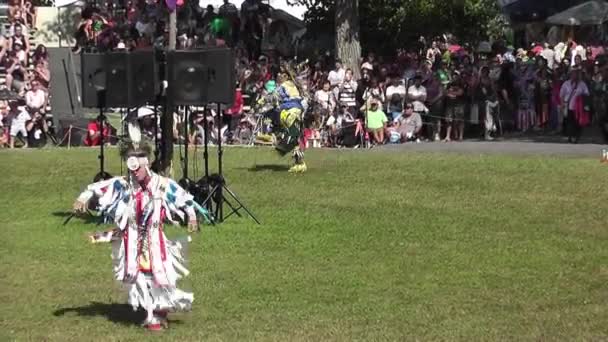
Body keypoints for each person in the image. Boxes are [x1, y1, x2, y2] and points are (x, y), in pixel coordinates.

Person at [72, 140, 211, 331]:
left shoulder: (162, 184)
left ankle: (161, 306)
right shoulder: (124, 185)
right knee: (141, 277)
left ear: (146, 164)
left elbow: (182, 199)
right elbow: (99, 188)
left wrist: (193, 217)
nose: (134, 172)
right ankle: (151, 316)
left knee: (161, 274)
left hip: (155, 240)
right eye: (131, 167)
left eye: (138, 167)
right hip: (132, 241)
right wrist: (82, 198)